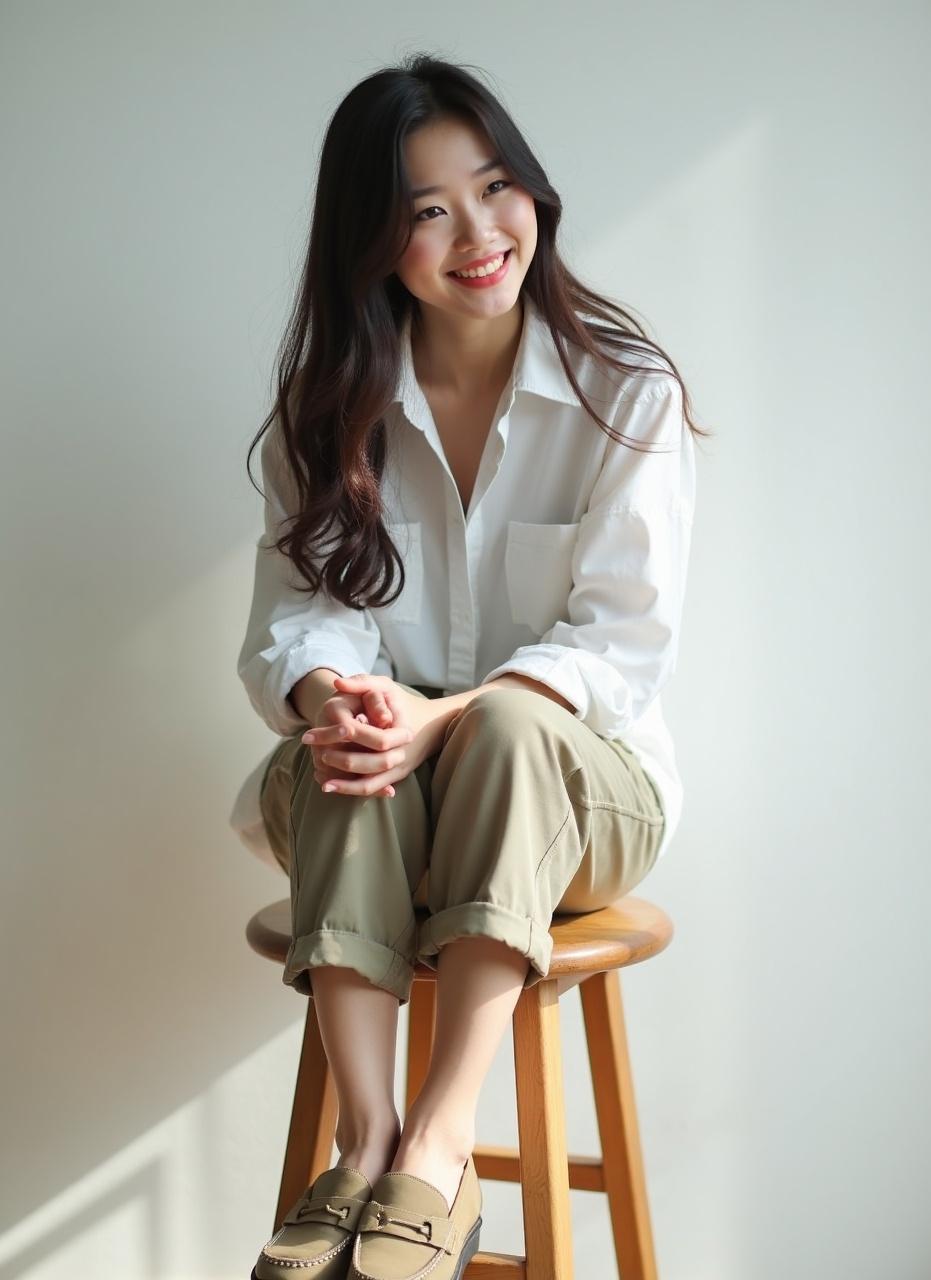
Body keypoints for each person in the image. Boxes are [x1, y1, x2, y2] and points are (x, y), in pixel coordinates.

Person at [231, 52, 707, 1280]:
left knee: (500, 728)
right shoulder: (332, 407)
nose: (478, 232)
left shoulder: (623, 392)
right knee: (338, 737)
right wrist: (346, 701)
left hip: (588, 797)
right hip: (385, 805)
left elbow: (618, 647)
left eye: (495, 187)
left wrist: (444, 717)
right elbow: (295, 619)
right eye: (426, 210)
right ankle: (366, 1132)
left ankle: (439, 1146)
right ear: (373, 241)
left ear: (532, 191)